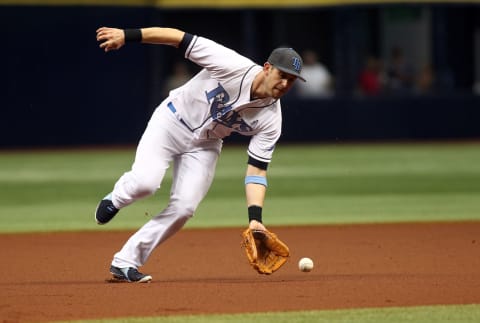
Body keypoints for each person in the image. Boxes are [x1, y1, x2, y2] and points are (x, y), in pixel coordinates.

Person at [94, 26, 306, 283]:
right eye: (282, 75)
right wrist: (127, 36)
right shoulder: (231, 64)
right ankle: (118, 197)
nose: (285, 83)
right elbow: (177, 38)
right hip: (172, 121)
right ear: (267, 67)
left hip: (206, 144)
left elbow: (257, 170)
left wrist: (255, 220)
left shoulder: (272, 120)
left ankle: (125, 262)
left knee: (184, 207)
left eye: (292, 80)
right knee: (145, 183)